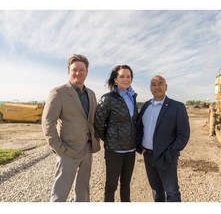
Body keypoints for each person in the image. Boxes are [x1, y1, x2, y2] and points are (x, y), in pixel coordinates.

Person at [41, 54, 100, 202]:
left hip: (87, 150)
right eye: (74, 70)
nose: (78, 73)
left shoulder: (91, 94)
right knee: (60, 194)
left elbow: (92, 120)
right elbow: (47, 122)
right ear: (69, 71)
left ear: (87, 72)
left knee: (83, 192)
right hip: (68, 151)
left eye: (82, 69)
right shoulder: (58, 92)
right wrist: (59, 148)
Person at [136, 75, 190, 202]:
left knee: (171, 191)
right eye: (153, 84)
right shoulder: (145, 106)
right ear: (150, 88)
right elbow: (139, 128)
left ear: (166, 87)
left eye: (160, 84)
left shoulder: (177, 107)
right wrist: (140, 147)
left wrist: (172, 153)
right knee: (156, 190)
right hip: (148, 156)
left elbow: (184, 134)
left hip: (166, 157)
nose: (157, 87)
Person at [94, 64, 138, 202]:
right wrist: (110, 138)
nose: (126, 79)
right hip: (114, 150)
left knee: (126, 185)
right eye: (122, 76)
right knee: (111, 186)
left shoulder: (132, 97)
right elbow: (98, 124)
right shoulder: (108, 98)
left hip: (131, 149)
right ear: (115, 80)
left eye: (128, 76)